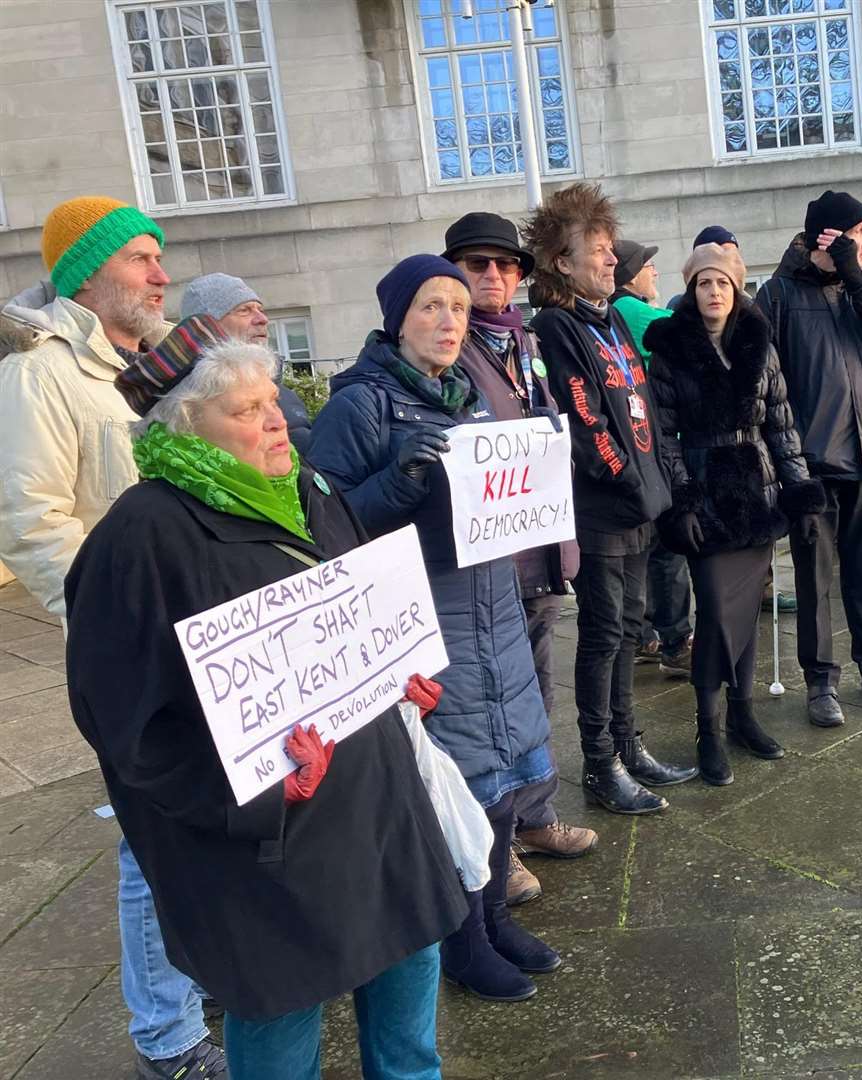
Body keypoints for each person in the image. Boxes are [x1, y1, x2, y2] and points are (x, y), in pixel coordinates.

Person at [66, 320, 467, 1079]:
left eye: (272, 398)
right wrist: (258, 793)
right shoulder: (140, 537)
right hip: (270, 841)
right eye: (246, 411)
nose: (277, 418)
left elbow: (355, 627)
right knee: (283, 1032)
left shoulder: (307, 488)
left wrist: (397, 684)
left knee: (411, 1010)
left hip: (379, 805)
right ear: (185, 426)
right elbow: (125, 728)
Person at [0, 196, 230, 1080]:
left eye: (157, 257)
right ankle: (167, 1041)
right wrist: (118, 622)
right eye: (140, 258)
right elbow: (30, 519)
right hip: (138, 651)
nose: (160, 274)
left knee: (213, 817)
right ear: (87, 275)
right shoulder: (42, 375)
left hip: (212, 635)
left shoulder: (159, 371)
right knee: (152, 840)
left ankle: (205, 977)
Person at [307, 255, 560, 1003]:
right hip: (424, 624)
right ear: (397, 319)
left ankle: (494, 918)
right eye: (430, 307)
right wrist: (395, 482)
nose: (449, 322)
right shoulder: (360, 407)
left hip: (493, 612)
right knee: (455, 787)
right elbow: (324, 530)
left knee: (508, 774)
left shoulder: (467, 397)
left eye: (456, 307)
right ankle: (464, 942)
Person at [525, 183, 698, 814]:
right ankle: (601, 762)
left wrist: (658, 479)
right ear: (562, 264)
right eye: (595, 250)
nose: (610, 259)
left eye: (608, 248)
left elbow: (642, 403)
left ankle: (629, 744)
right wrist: (627, 474)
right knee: (602, 635)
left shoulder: (614, 320)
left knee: (630, 629)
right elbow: (582, 416)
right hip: (605, 509)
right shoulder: (557, 326)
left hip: (642, 503)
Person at [441, 211, 596, 907]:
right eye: (479, 265)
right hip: (485, 561)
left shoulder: (525, 342)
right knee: (489, 706)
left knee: (534, 692)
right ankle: (491, 846)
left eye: (505, 266)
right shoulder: (449, 346)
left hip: (539, 546)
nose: (495, 277)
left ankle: (533, 818)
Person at [646, 243, 825, 784]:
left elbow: (783, 426)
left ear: (737, 288)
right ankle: (709, 726)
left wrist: (799, 491)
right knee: (718, 615)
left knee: (747, 613)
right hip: (705, 491)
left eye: (723, 283)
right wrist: (682, 501)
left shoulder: (758, 344)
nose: (714, 292)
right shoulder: (671, 348)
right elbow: (663, 437)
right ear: (691, 289)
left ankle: (743, 714)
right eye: (704, 283)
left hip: (759, 490)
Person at [756, 190, 862, 728]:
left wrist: (858, 277)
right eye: (861, 232)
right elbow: (765, 382)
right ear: (830, 238)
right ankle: (820, 682)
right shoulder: (778, 295)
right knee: (817, 580)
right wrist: (784, 463)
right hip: (812, 463)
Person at [611, 238, 696, 678]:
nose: (655, 273)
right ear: (628, 274)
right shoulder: (630, 309)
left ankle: (647, 635)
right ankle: (677, 640)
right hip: (655, 446)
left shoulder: (617, 310)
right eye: (648, 266)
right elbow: (694, 330)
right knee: (669, 549)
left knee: (648, 546)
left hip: (637, 447)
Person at [179, 272, 314, 455]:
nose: (262, 319)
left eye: (260, 309)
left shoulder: (285, 394)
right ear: (206, 327)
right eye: (244, 310)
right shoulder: (187, 405)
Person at [666, 225, 740, 310]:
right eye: (724, 253)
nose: (733, 261)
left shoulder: (749, 309)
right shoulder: (678, 306)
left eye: (735, 254)